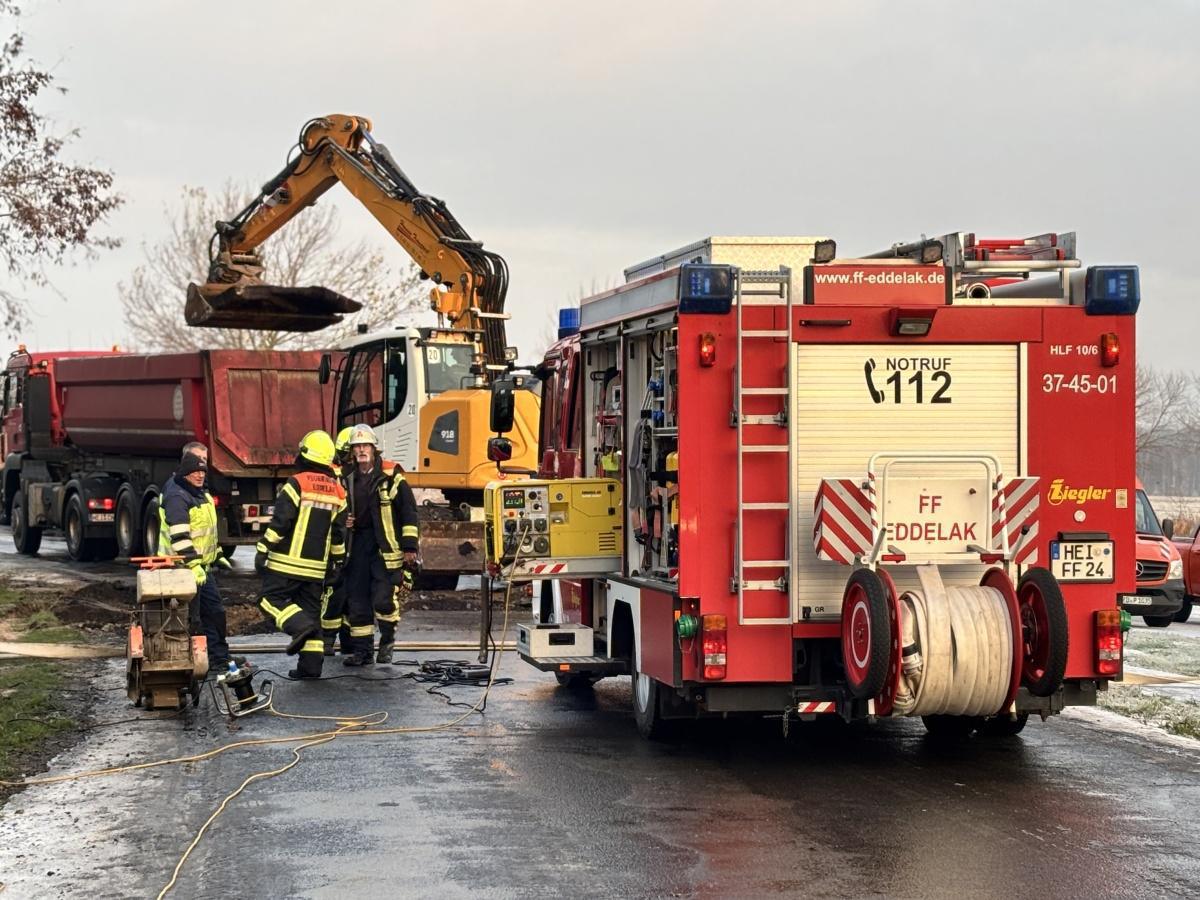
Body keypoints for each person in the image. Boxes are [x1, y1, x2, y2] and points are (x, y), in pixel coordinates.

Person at [255, 430, 348, 679]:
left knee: (268, 600)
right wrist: (337, 564)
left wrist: (263, 549)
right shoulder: (339, 492)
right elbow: (339, 535)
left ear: (305, 454)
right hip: (316, 568)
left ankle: (299, 626)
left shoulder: (297, 483)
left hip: (286, 564)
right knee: (310, 612)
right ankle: (310, 668)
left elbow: (280, 523)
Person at [340, 423, 420, 667]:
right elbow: (337, 508)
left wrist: (409, 547)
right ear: (352, 450)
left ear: (374, 448)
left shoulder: (391, 475)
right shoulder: (347, 477)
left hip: (385, 547)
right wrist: (345, 520)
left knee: (384, 599)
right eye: (357, 446)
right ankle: (363, 653)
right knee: (357, 600)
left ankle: (386, 641)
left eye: (366, 445)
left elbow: (408, 511)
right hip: (358, 545)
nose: (362, 450)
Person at [158, 452, 231, 672]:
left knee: (215, 613)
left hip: (200, 568)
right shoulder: (177, 496)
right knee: (191, 618)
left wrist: (216, 553)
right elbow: (180, 538)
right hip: (181, 569)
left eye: (202, 471)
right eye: (195, 472)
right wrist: (194, 565)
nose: (199, 475)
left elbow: (207, 531)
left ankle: (219, 659)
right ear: (185, 473)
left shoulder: (200, 492)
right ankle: (190, 663)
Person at [320, 427, 357, 656]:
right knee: (334, 594)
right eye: (349, 454)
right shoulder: (332, 476)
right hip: (335, 544)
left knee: (352, 597)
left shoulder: (360, 476)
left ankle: (348, 642)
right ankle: (325, 641)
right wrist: (345, 520)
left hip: (353, 544)